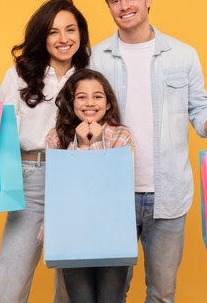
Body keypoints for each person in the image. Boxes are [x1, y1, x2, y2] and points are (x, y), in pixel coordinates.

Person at [89, 0, 207, 302]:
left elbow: (200, 110)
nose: (124, 5)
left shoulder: (182, 55)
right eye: (115, 0)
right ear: (109, 7)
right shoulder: (95, 58)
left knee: (162, 293)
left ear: (148, 0)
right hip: (111, 195)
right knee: (108, 295)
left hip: (169, 197)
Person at [0, 0, 88, 303]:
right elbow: (5, 126)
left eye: (71, 29)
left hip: (79, 179)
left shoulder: (90, 72)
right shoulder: (22, 73)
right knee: (9, 281)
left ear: (81, 33)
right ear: (42, 35)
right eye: (53, 32)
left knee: (74, 287)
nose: (64, 39)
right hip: (32, 177)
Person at [45, 68, 134, 303]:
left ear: (108, 103)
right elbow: (59, 187)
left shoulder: (121, 135)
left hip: (112, 230)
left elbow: (118, 182)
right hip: (71, 231)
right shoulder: (55, 138)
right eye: (81, 96)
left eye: (97, 96)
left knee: (111, 299)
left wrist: (94, 146)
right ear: (71, 102)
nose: (90, 102)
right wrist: (81, 145)